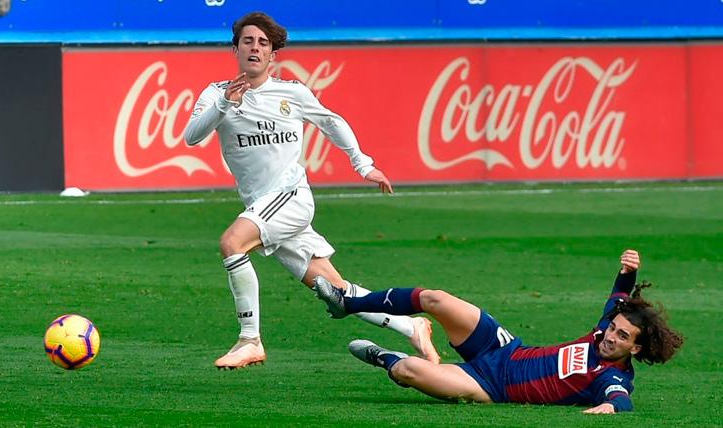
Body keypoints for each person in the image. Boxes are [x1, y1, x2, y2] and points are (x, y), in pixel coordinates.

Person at [184, 11, 439, 369]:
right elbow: (192, 136)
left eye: (263, 43)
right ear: (235, 49)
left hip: (290, 198)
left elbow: (332, 123)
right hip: (263, 206)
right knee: (335, 290)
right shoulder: (216, 94)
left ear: (273, 55)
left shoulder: (292, 93)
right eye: (248, 41)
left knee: (232, 243)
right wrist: (225, 102)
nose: (255, 48)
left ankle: (249, 340)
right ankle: (410, 326)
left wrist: (363, 164)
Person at [314, 249, 684, 413]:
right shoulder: (604, 331)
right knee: (435, 299)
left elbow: (621, 398)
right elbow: (619, 296)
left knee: (409, 370)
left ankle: (384, 357)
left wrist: (610, 407)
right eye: (614, 329)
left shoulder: (613, 377)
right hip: (506, 348)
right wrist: (628, 271)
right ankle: (348, 304)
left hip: (490, 387)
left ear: (635, 349)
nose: (611, 336)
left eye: (622, 337)